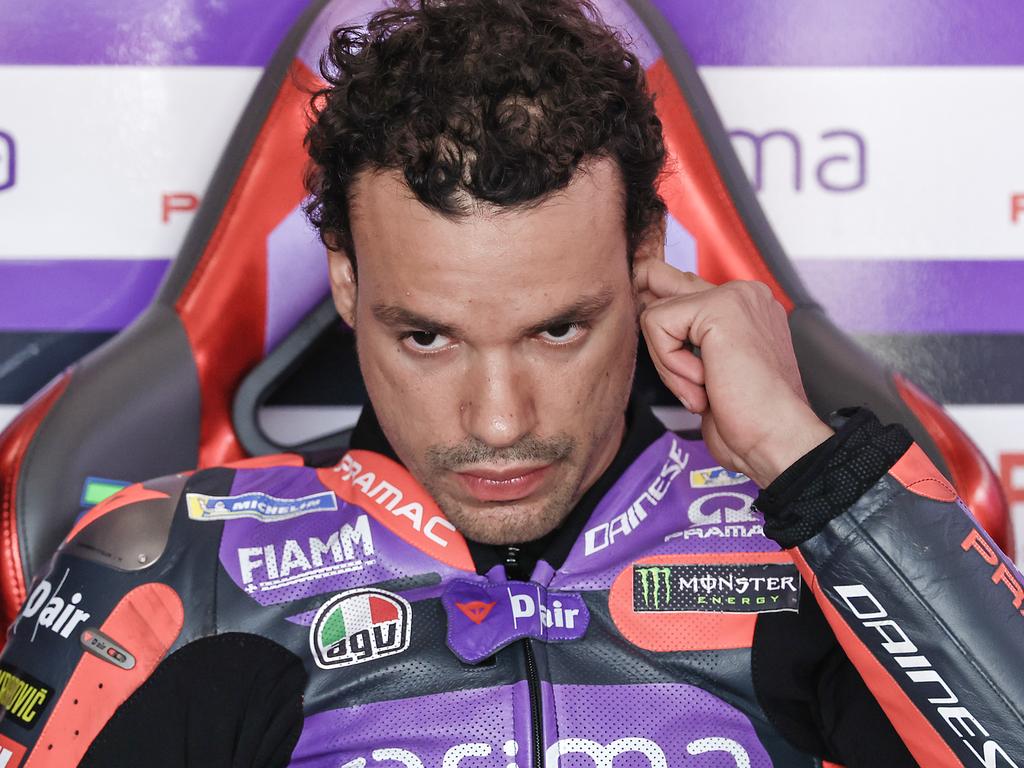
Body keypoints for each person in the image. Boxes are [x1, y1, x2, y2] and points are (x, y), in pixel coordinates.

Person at [1, 1, 1022, 766]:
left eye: (557, 329)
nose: (499, 421)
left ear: (647, 259)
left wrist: (802, 466)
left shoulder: (803, 548)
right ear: (346, 281)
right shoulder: (178, 575)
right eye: (429, 337)